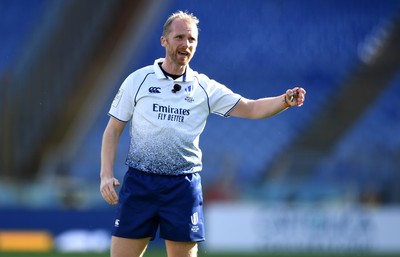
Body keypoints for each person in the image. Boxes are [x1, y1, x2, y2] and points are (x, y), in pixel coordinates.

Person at [100, 10, 306, 257]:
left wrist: (284, 100)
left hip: (182, 186)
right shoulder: (138, 80)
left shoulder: (204, 88)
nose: (186, 44)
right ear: (164, 41)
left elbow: (250, 108)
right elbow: (113, 130)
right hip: (140, 183)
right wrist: (105, 175)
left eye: (192, 40)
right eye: (179, 37)